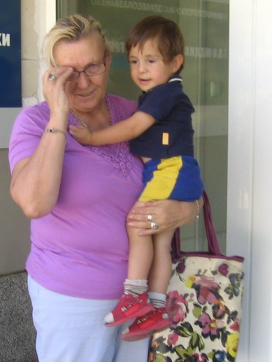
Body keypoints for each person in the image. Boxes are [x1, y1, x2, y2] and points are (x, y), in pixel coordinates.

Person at [9, 14, 201, 362]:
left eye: (92, 67)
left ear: (108, 62)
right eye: (69, 71)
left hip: (140, 301)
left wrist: (185, 210)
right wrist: (59, 117)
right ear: (53, 74)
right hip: (74, 299)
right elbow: (34, 203)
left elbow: (180, 178)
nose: (82, 82)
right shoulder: (35, 124)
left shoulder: (136, 113)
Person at [70, 15, 204, 341]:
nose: (141, 70)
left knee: (137, 223)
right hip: (171, 171)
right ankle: (157, 308)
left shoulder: (163, 94)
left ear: (176, 63)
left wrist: (90, 138)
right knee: (159, 241)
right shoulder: (161, 94)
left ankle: (133, 296)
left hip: (167, 169)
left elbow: (132, 128)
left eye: (151, 60)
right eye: (133, 61)